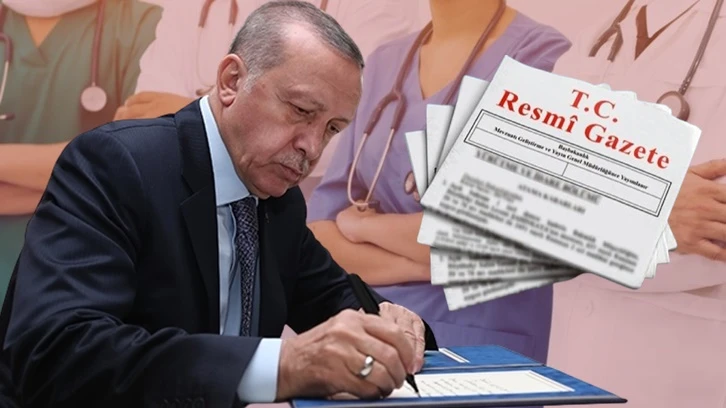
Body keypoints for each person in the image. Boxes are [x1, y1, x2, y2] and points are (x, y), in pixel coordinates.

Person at [0, 2, 435, 406]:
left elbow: (338, 300)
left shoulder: (279, 204)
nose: (313, 148)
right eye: (302, 111)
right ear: (231, 81)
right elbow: (55, 353)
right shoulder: (118, 166)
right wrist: (284, 365)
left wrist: (395, 326)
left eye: (332, 128)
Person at [305, 0, 572, 367]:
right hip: (373, 332)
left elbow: (498, 242)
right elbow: (322, 235)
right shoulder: (383, 63)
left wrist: (364, 226)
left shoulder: (542, 56)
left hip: (479, 346)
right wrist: (432, 265)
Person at [545, 0, 726, 407]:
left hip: (681, 379)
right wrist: (651, 205)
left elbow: (712, 226)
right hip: (573, 368)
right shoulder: (596, 36)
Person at [113, 0, 431, 190]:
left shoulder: (378, 6)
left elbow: (353, 143)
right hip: (184, 201)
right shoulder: (190, 6)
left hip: (305, 216)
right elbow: (147, 119)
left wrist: (196, 110)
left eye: (301, 108)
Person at [0, 0, 162, 300]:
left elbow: (135, 165)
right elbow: (107, 170)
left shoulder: (145, 25)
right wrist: (84, 187)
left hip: (84, 277)